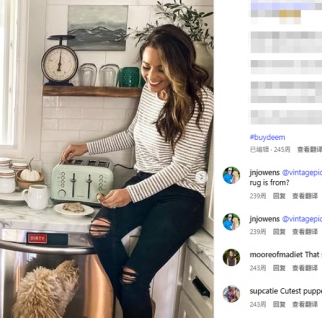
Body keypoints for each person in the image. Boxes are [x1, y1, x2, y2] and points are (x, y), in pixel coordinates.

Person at [60, 24, 213, 318]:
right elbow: (132, 135)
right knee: (100, 230)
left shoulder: (201, 100)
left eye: (161, 69)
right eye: (146, 67)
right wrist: (86, 147)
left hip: (182, 195)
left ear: (179, 66)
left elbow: (181, 167)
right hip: (146, 181)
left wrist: (130, 194)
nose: (151, 76)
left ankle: (135, 298)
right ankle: (138, 303)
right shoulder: (149, 91)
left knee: (132, 278)